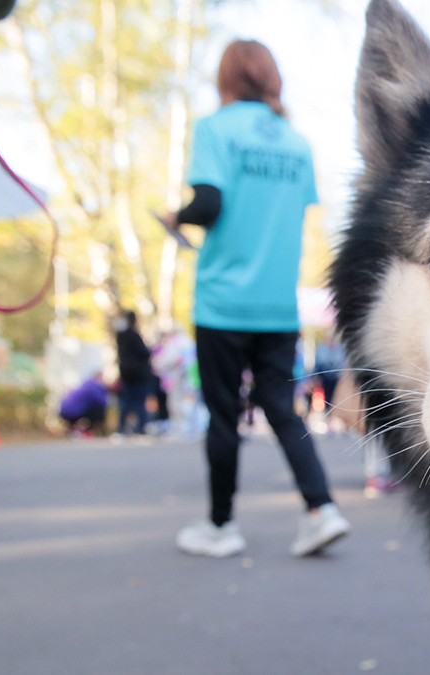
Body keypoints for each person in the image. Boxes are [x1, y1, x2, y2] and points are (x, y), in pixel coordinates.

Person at [160, 40, 349, 558]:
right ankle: (321, 509)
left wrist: (177, 218)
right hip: (277, 304)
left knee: (223, 416)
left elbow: (208, 203)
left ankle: (221, 526)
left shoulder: (216, 130)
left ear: (226, 78)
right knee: (283, 410)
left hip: (223, 301)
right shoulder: (297, 143)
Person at [115, 310, 153, 435]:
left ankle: (122, 427)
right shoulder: (134, 336)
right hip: (138, 375)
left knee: (126, 402)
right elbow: (145, 353)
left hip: (127, 375)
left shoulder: (121, 337)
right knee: (139, 402)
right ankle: (140, 427)